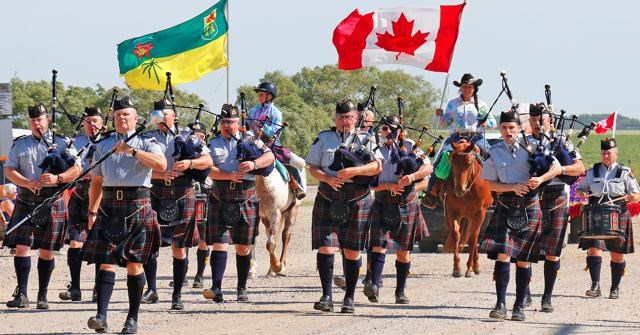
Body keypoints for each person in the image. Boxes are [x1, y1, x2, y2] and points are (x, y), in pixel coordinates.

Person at [81, 96, 166, 334]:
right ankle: (101, 315)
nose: (121, 118)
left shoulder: (148, 142)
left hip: (137, 204)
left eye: (126, 114)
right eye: (118, 115)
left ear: (136, 118)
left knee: (134, 265)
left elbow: (160, 165)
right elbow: (96, 180)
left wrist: (132, 151)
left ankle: (132, 318)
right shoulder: (103, 145)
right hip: (109, 206)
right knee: (105, 262)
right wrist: (92, 209)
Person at [479, 110, 560, 321]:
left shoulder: (532, 149)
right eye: (504, 128)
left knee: (524, 259)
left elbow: (557, 167)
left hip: (530, 207)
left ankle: (518, 306)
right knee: (503, 254)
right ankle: (500, 304)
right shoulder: (494, 153)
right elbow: (490, 184)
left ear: (519, 129)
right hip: (506, 206)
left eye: (511, 128)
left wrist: (541, 179)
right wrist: (512, 187)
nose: (508, 131)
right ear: (500, 129)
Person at [306, 99, 383, 314]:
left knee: (351, 251)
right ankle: (326, 296)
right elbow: (312, 167)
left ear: (356, 118)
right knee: (326, 246)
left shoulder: (367, 138)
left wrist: (353, 172)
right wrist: (326, 178)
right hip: (328, 195)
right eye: (340, 117)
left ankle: (349, 297)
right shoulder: (324, 137)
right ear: (335, 118)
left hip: (357, 198)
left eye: (348, 117)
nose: (344, 121)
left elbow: (377, 166)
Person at [3, 103, 81, 309]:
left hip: (52, 199)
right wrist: (26, 182)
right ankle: (22, 293)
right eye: (33, 120)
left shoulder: (63, 143)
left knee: (46, 250)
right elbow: (9, 170)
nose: (37, 123)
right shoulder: (20, 145)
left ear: (48, 120)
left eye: (40, 119)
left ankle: (42, 295)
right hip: (27, 198)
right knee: (22, 247)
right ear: (29, 122)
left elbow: (77, 169)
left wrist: (58, 177)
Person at [141, 98, 213, 310]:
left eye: (166, 113)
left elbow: (208, 161)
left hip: (183, 192)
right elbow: (138, 165)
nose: (162, 117)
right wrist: (160, 173)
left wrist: (190, 163)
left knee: (179, 248)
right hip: (154, 190)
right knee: (150, 245)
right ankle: (152, 290)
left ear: (174, 115)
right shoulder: (146, 138)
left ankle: (177, 295)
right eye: (158, 114)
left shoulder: (188, 137)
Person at [202, 104, 274, 303]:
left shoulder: (251, 139)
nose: (228, 125)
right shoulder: (212, 144)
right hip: (220, 196)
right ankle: (216, 287)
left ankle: (241, 288)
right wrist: (228, 175)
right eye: (224, 122)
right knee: (220, 244)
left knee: (243, 246)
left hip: (246, 196)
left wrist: (254, 164)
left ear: (238, 123)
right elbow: (207, 168)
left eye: (232, 122)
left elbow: (270, 156)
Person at [364, 116, 431, 304]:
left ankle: (400, 291)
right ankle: (374, 285)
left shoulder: (410, 146)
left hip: (406, 203)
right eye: (384, 129)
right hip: (383, 201)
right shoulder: (373, 148)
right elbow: (369, 183)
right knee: (379, 245)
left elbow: (428, 169)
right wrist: (387, 186)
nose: (388, 132)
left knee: (403, 252)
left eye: (392, 129)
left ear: (400, 131)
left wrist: (412, 177)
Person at [525, 103, 585, 312]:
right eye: (533, 120)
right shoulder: (523, 142)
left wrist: (561, 169)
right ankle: (525, 294)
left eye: (541, 119)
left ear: (550, 120)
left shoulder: (561, 142)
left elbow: (580, 167)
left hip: (556, 198)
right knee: (526, 249)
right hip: (530, 199)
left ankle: (547, 297)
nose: (537, 123)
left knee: (552, 252)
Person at [576, 138, 640, 299]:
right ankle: (595, 285)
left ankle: (615, 287)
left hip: (618, 213)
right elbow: (580, 189)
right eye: (603, 153)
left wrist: (633, 197)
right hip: (596, 213)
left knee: (617, 253)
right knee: (593, 249)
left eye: (609, 153)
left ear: (616, 154)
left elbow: (637, 194)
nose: (606, 156)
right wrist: (581, 193)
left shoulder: (625, 172)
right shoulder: (592, 171)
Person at [423, 73, 496, 208]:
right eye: (464, 86)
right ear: (460, 88)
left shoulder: (481, 104)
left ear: (474, 89)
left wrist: (487, 124)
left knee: (492, 156)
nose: (467, 89)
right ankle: (432, 192)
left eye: (470, 87)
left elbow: (492, 122)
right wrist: (440, 116)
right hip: (456, 137)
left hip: (476, 137)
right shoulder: (452, 104)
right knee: (442, 156)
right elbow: (445, 122)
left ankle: (496, 192)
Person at [59, 106, 104, 302]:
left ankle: (98, 286)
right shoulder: (76, 142)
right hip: (79, 192)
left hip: (102, 193)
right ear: (83, 124)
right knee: (76, 242)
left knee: (99, 243)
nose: (92, 125)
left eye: (96, 122)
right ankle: (75, 287)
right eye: (88, 122)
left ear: (102, 123)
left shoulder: (109, 141)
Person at [246, 81, 306, 199]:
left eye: (261, 94)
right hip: (253, 143)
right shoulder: (253, 110)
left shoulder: (276, 112)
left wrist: (263, 129)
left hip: (271, 144)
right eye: (259, 94)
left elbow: (276, 130)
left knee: (293, 161)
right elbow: (247, 124)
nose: (259, 96)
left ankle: (297, 185)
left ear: (269, 96)